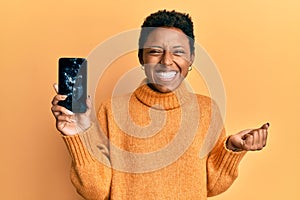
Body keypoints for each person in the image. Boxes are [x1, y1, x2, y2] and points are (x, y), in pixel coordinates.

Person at [51, 10, 269, 200]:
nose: (166, 60)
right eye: (155, 51)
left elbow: (212, 185)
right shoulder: (111, 110)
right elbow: (95, 191)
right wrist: (78, 135)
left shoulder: (207, 110)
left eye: (178, 51)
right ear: (141, 57)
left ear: (191, 58)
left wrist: (231, 148)